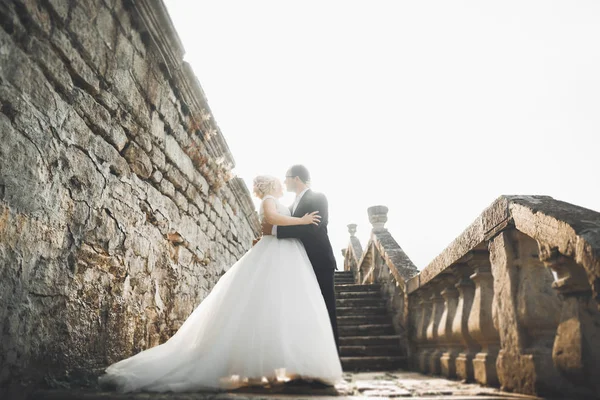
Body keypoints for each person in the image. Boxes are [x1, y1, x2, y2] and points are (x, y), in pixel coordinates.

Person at [98, 175, 342, 393]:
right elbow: (271, 219)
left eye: (283, 181)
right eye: (278, 183)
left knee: (281, 306)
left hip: (288, 257)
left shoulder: (290, 202)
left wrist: (291, 223)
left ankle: (285, 363)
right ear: (270, 186)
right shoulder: (269, 199)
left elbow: (274, 226)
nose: (282, 185)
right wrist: (301, 220)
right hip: (276, 254)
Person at [261, 165, 339, 350]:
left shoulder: (318, 197)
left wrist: (275, 230)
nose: (284, 182)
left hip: (319, 260)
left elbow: (314, 227)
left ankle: (333, 357)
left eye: (286, 178)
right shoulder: (290, 206)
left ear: (296, 178)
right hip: (298, 263)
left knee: (326, 308)